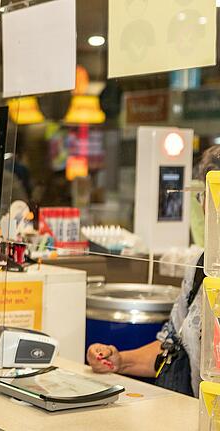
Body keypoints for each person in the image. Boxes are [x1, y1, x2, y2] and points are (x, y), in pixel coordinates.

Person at [87, 145, 220, 397]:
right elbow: (171, 346)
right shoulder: (199, 268)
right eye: (204, 196)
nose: (207, 207)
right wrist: (119, 361)